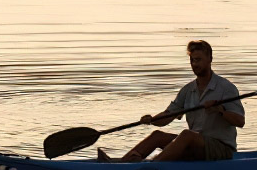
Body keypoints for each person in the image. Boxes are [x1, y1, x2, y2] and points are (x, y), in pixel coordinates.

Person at [99, 40, 243, 162]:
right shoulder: (188, 90)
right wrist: (152, 120)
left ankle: (151, 166)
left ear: (210, 59)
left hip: (222, 150)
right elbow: (168, 115)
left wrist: (220, 111)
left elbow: (240, 121)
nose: (194, 64)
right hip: (195, 146)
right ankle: (122, 164)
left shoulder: (226, 88)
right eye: (192, 60)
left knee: (186, 135)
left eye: (198, 60)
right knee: (157, 136)